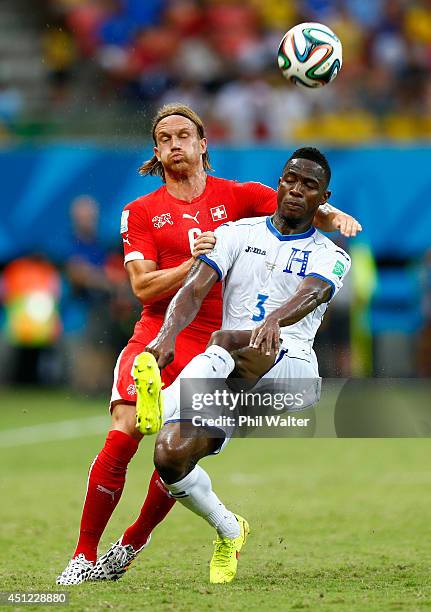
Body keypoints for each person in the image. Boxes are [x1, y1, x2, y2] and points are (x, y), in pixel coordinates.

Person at [57, 104, 360, 584]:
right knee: (126, 428)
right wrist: (190, 267)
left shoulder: (238, 198)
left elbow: (297, 205)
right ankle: (83, 553)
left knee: (176, 450)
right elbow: (143, 288)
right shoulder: (140, 211)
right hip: (163, 334)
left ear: (203, 144)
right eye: (164, 138)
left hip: (227, 344)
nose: (175, 144)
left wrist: (333, 212)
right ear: (156, 152)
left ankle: (130, 545)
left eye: (184, 135)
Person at [136, 146, 351, 584]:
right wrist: (165, 337)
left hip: (290, 372)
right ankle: (230, 530)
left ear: (322, 197)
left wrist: (275, 319)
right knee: (170, 456)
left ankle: (167, 397)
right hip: (231, 380)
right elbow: (194, 290)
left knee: (232, 339)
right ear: (278, 183)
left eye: (309, 185)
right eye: (290, 179)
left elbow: (313, 293)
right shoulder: (236, 234)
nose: (296, 190)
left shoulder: (331, 254)